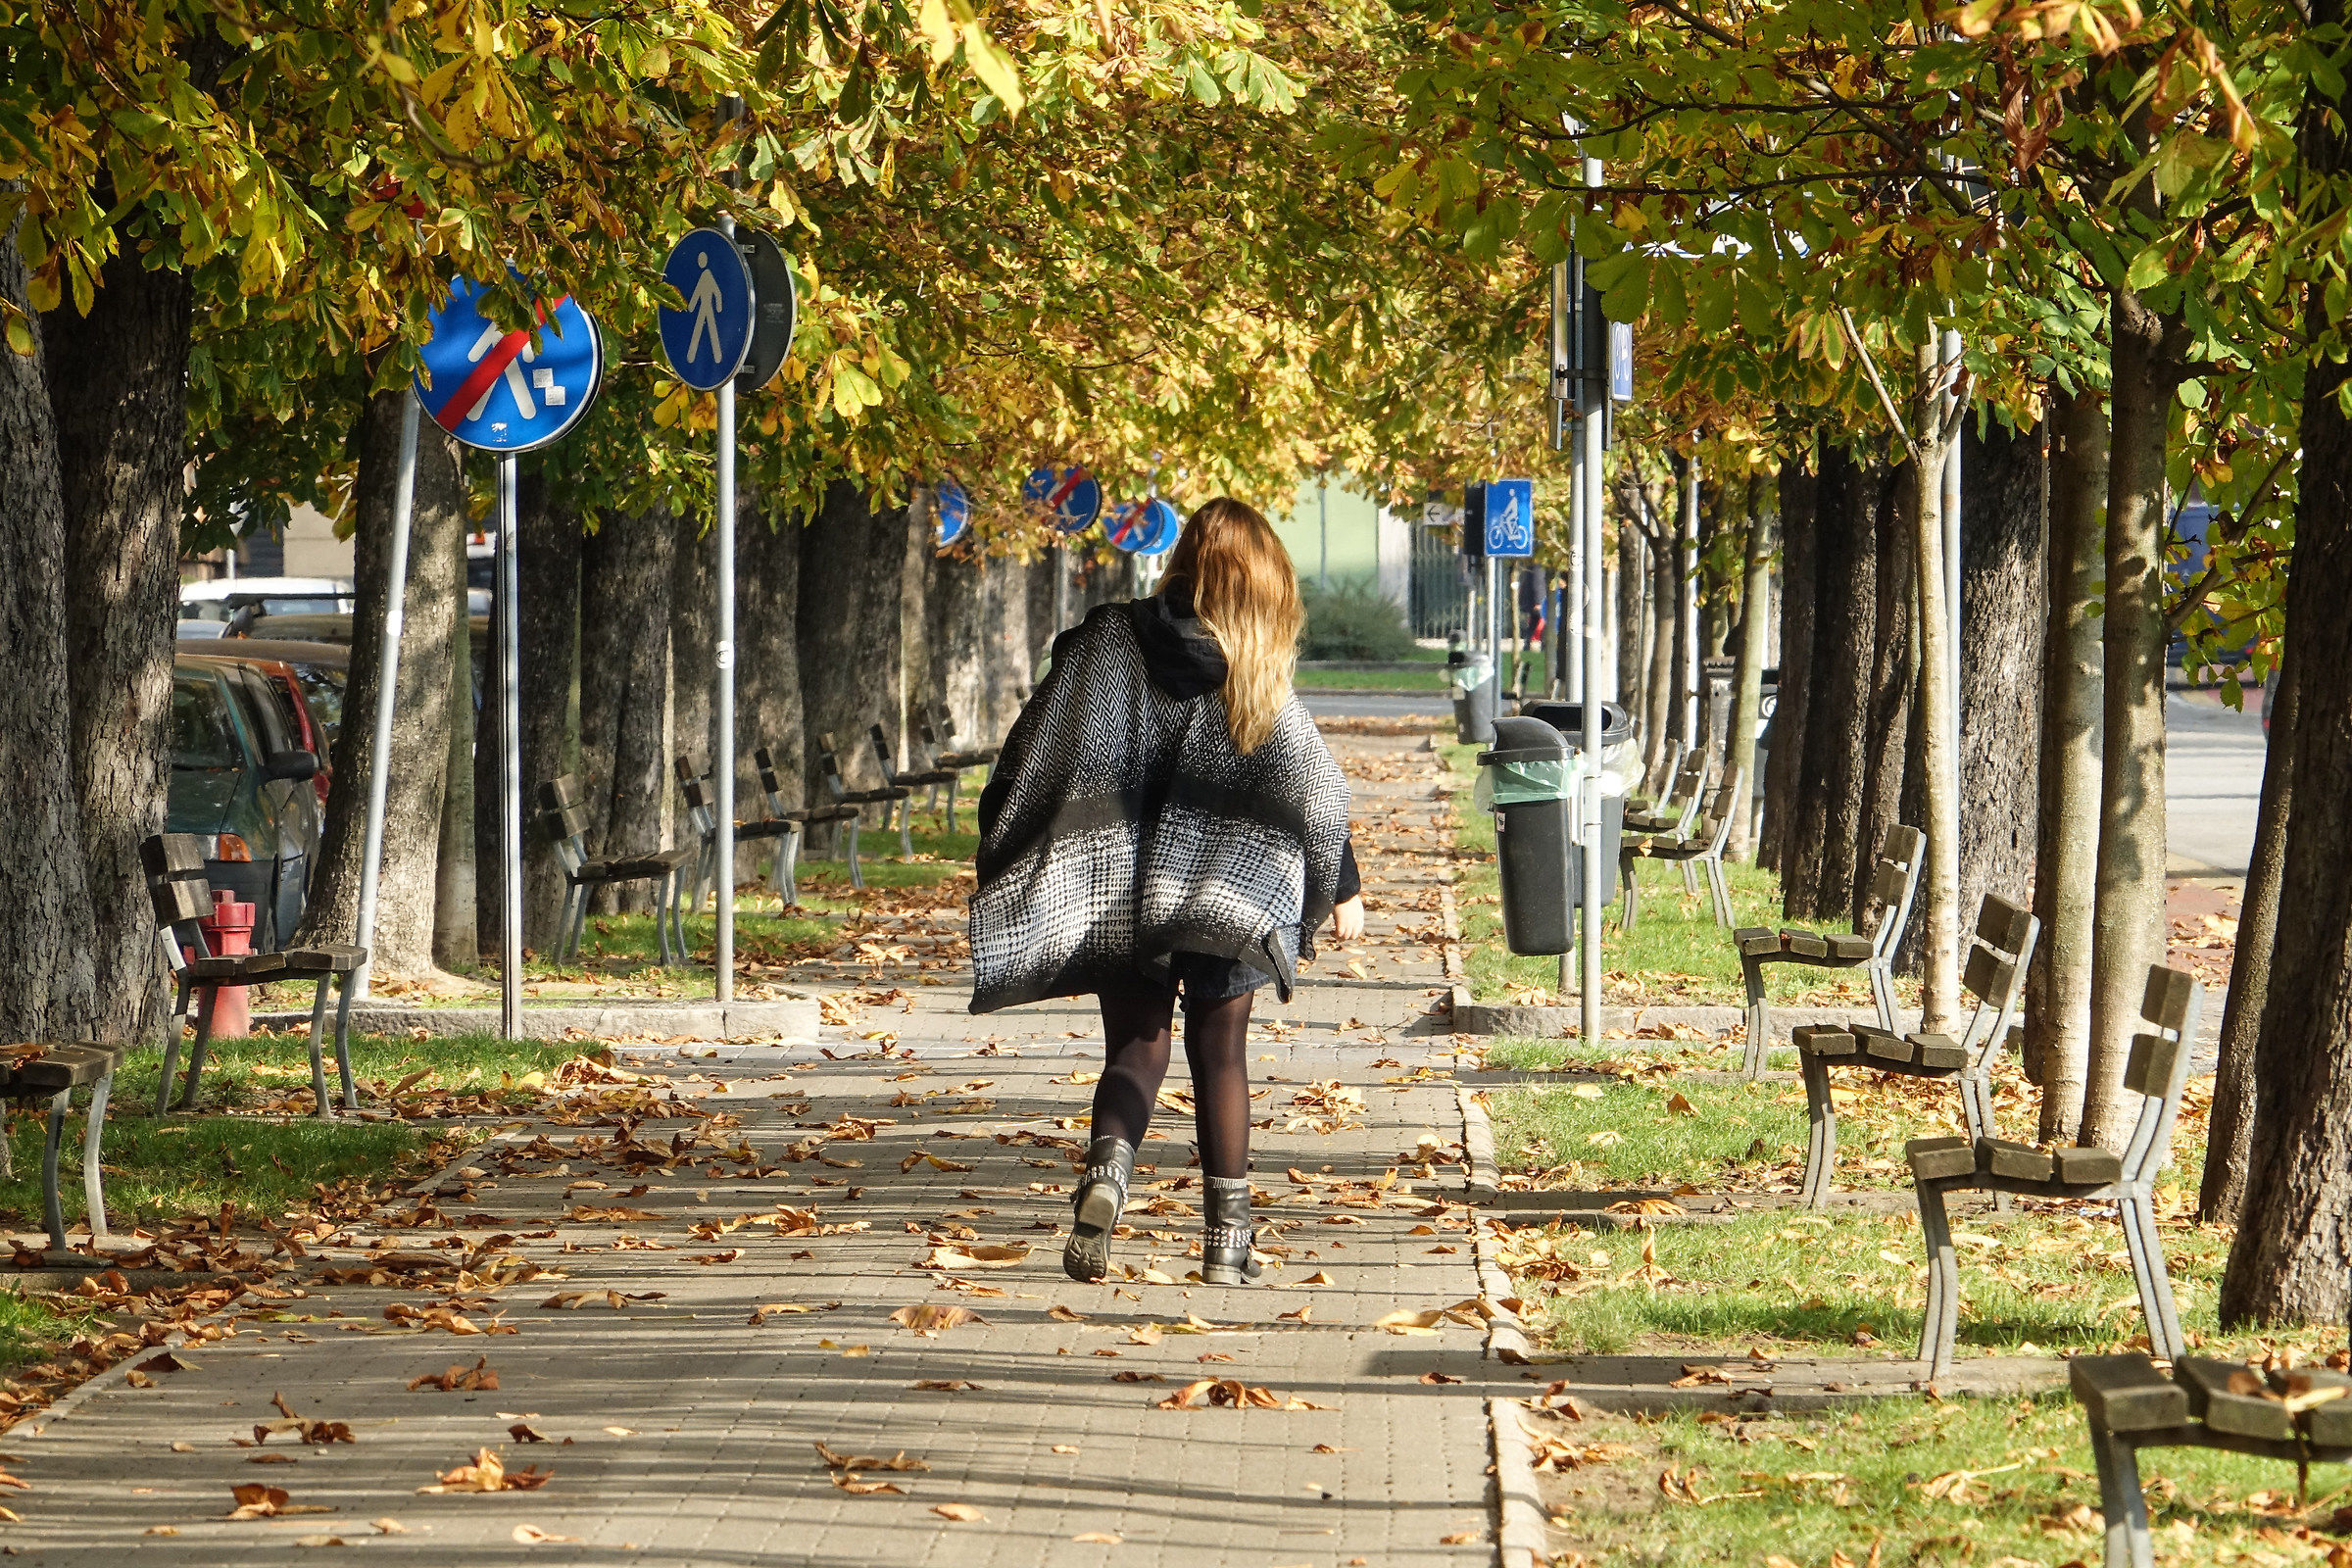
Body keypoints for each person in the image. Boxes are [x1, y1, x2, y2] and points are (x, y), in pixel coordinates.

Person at [969, 498, 1364, 1286]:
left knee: (1135, 1049)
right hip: (1230, 893)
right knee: (1221, 1056)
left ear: (1184, 559)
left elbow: (1035, 746)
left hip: (1121, 884)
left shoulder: (1109, 639)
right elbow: (1316, 790)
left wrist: (1005, 838)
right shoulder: (1254, 662)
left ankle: (1108, 1176)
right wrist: (1340, 887)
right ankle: (1228, 1245)